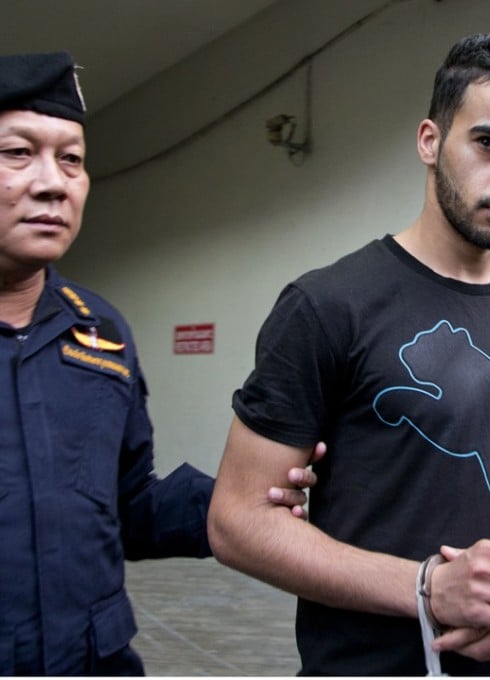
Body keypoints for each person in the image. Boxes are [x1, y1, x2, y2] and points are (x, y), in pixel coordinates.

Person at [207, 34, 490, 676]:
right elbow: (237, 522)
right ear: (429, 141)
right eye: (489, 143)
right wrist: (425, 588)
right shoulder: (327, 306)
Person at [0, 52, 317, 675]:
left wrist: (248, 497)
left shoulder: (100, 332)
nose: (53, 182)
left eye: (72, 159)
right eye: (18, 153)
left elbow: (126, 509)